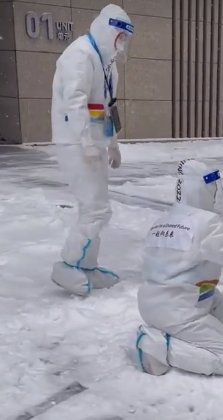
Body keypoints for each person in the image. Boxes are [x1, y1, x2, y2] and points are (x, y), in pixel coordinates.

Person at [136, 159, 223, 376]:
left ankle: (163, 335)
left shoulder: (162, 221)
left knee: (218, 302)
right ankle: (157, 347)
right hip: (179, 312)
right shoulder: (203, 223)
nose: (214, 196)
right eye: (211, 190)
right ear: (200, 190)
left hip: (151, 305)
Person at [50, 4, 134, 296]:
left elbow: (107, 109)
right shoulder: (80, 55)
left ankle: (86, 265)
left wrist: (112, 144)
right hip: (75, 143)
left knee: (96, 209)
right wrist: (85, 140)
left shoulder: (107, 64)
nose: (122, 43)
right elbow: (74, 102)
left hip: (94, 144)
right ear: (108, 31)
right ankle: (68, 264)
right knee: (95, 209)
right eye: (120, 36)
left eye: (126, 38)